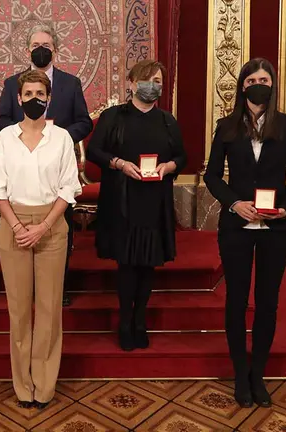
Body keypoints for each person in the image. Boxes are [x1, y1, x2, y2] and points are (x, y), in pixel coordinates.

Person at [203, 58, 286, 408]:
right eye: (251, 80)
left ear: (272, 84)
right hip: (236, 226)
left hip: (275, 228)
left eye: (264, 79)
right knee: (236, 301)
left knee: (267, 302)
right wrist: (234, 203)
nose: (258, 84)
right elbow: (213, 176)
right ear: (243, 86)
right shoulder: (226, 126)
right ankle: (239, 375)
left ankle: (257, 375)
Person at [0, 70, 82, 408]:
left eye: (40, 93)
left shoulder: (62, 139)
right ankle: (22, 384)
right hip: (13, 225)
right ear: (19, 98)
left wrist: (43, 226)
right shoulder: (7, 137)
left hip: (52, 225)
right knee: (19, 311)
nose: (34, 99)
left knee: (50, 308)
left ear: (49, 97)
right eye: (28, 93)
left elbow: (69, 188)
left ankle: (44, 382)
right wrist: (16, 226)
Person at [86, 60, 187, 352]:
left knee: (147, 264)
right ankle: (125, 321)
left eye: (157, 80)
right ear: (131, 83)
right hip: (122, 200)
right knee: (127, 263)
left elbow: (181, 156)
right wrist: (118, 163)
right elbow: (94, 151)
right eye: (146, 79)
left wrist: (169, 167)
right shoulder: (113, 117)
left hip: (154, 201)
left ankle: (140, 320)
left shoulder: (168, 121)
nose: (152, 85)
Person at [0, 23, 92, 307]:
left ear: (55, 51)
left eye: (46, 46)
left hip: (56, 165)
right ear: (27, 50)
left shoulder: (70, 83)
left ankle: (57, 288)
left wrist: (55, 139)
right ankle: (24, 289)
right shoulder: (13, 83)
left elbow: (84, 122)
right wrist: (24, 133)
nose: (40, 50)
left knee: (62, 229)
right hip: (22, 162)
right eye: (35, 45)